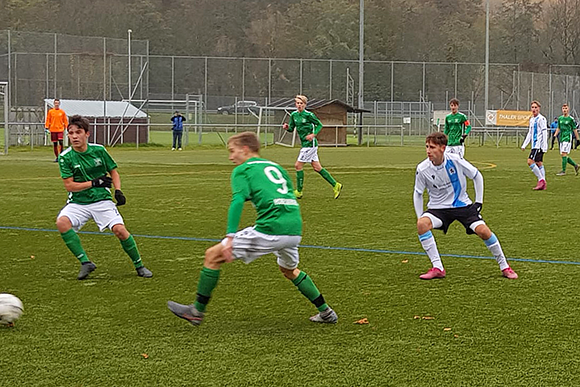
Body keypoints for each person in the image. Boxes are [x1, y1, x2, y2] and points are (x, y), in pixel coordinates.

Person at [167, 132, 337, 325]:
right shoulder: (276, 167)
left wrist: (230, 236)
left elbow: (237, 200)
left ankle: (196, 311)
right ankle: (326, 312)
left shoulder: (242, 170)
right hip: (294, 228)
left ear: (245, 149)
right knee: (289, 270)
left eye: (232, 151)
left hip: (271, 228)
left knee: (212, 256)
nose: (231, 157)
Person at [55, 115, 153, 280]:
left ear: (87, 133)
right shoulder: (65, 157)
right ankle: (86, 262)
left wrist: (118, 190)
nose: (74, 136)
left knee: (120, 230)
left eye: (78, 132)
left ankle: (139, 265)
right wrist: (93, 183)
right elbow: (69, 186)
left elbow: (113, 170)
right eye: (70, 133)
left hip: (102, 200)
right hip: (78, 202)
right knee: (62, 222)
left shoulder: (99, 150)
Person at [414, 132, 518, 280]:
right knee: (422, 224)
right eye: (426, 147)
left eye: (432, 147)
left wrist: (479, 202)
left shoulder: (455, 160)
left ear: (443, 148)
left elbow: (477, 175)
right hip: (438, 209)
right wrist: (420, 217)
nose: (428, 151)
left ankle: (505, 266)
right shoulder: (422, 168)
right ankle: (438, 267)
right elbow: (417, 193)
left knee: (484, 231)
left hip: (462, 205)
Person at [282, 95, 342, 199]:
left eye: (301, 103)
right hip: (305, 144)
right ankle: (336, 185)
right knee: (317, 168)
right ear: (295, 104)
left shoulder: (309, 115)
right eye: (298, 103)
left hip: (310, 145)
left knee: (298, 166)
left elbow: (319, 125)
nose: (299, 105)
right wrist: (287, 127)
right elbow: (291, 128)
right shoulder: (294, 115)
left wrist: (313, 134)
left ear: (305, 105)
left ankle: (299, 192)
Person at [521, 101, 548, 190]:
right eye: (532, 107)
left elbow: (544, 132)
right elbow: (530, 133)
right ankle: (543, 183)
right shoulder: (532, 119)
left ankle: (541, 180)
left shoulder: (541, 119)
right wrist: (524, 144)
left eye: (536, 107)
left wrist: (544, 145)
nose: (534, 109)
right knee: (539, 163)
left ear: (539, 109)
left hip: (538, 145)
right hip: (534, 145)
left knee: (530, 161)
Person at [554, 104, 580, 176]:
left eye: (566, 108)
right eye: (563, 108)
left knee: (564, 153)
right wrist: (554, 135)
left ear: (568, 109)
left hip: (567, 137)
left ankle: (563, 171)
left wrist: (578, 139)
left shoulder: (571, 119)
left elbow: (574, 129)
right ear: (562, 110)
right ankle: (575, 165)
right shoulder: (560, 118)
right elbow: (558, 128)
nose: (564, 110)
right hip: (561, 137)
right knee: (563, 155)